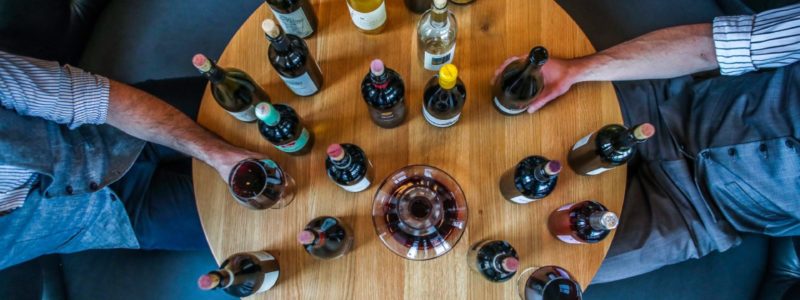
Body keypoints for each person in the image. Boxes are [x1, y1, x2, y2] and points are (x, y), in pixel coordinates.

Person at [496, 3, 800, 282]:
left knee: (531, 267)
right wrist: (577, 70)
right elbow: (714, 46)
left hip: (699, 216)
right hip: (669, 112)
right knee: (506, 132)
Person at [0, 50, 262, 269]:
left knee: (261, 113)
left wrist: (217, 153)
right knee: (267, 215)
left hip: (112, 129)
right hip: (117, 219)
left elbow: (99, 100)